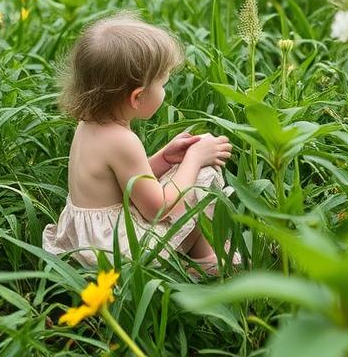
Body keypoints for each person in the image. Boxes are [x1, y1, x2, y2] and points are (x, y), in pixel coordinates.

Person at [43, 14, 236, 276]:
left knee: (178, 175)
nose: (165, 91)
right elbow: (157, 209)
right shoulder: (123, 141)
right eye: (163, 84)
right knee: (201, 177)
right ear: (137, 96)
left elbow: (125, 182)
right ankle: (206, 265)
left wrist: (165, 159)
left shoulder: (89, 123)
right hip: (118, 250)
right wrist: (194, 159)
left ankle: (205, 252)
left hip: (89, 237)